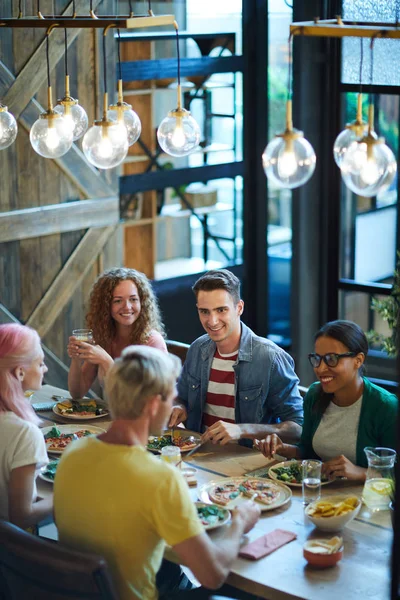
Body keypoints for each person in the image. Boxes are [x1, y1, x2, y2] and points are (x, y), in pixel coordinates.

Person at [54, 346, 260, 600]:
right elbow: (213, 575)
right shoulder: (160, 479)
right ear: (153, 404)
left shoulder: (74, 452)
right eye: (171, 395)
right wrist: (239, 523)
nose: (174, 400)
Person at [168, 269, 303, 445]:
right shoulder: (197, 349)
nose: (212, 321)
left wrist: (243, 430)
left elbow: (298, 428)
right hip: (199, 454)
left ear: (239, 308)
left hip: (248, 461)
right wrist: (179, 406)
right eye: (205, 312)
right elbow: (182, 397)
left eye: (221, 310)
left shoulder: (270, 357)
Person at [255, 320, 398, 482]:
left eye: (331, 359)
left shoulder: (386, 407)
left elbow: (393, 473)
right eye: (317, 358)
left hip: (367, 501)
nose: (320, 368)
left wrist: (360, 472)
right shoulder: (315, 394)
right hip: (322, 496)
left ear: (358, 360)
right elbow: (308, 451)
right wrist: (284, 449)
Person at [68, 267, 167, 398]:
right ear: (105, 306)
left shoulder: (152, 342)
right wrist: (75, 360)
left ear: (142, 302)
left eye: (133, 299)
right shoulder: (104, 337)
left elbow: (146, 401)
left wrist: (106, 361)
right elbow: (77, 393)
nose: (127, 307)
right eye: (118, 301)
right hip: (111, 416)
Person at [0, 323, 52, 529]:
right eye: (40, 364)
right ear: (20, 372)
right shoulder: (24, 433)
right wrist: (64, 496)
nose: (45, 369)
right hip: (13, 555)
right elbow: (21, 516)